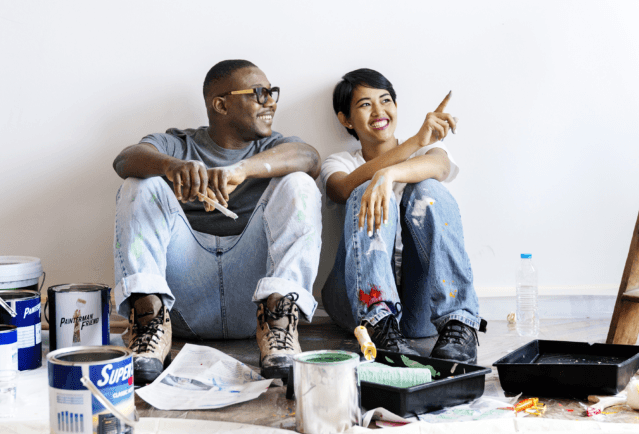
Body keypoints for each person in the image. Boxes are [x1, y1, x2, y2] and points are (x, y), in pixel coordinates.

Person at [112, 60, 322, 382]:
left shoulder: (274, 147)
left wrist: (243, 170)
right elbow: (125, 160)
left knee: (300, 183)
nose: (271, 101)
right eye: (259, 93)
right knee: (139, 183)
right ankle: (149, 322)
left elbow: (310, 158)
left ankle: (281, 327)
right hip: (183, 299)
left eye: (272, 93)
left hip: (254, 303)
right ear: (221, 104)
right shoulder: (179, 143)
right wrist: (171, 167)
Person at [319, 68, 486, 363]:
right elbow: (343, 189)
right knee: (362, 190)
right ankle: (379, 324)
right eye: (365, 104)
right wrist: (411, 144)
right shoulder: (340, 161)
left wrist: (390, 174)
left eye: (385, 100)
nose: (379, 111)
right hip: (355, 303)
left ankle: (459, 322)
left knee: (428, 189)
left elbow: (441, 167)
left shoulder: (430, 149)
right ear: (345, 119)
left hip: (419, 307)